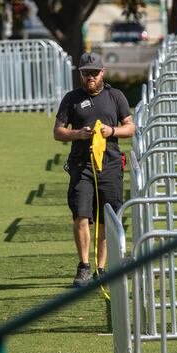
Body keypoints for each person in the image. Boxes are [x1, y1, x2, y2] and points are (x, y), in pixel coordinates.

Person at [53, 52, 135, 287]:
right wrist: (78, 134)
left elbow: (130, 127)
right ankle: (84, 266)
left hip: (109, 165)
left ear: (102, 72)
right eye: (85, 73)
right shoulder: (71, 99)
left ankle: (102, 267)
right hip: (81, 165)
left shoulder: (115, 96)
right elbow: (58, 132)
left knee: (106, 218)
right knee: (81, 215)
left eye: (94, 73)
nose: (90, 77)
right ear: (80, 74)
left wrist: (112, 131)